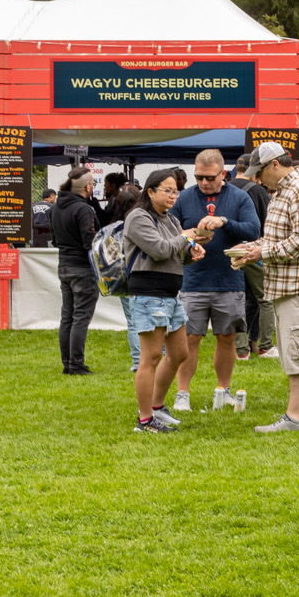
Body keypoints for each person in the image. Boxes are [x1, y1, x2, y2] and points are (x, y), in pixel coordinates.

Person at [227, 143, 299, 432]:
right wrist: (250, 248)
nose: (259, 179)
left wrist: (262, 253)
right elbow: (278, 238)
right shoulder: (284, 191)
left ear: (275, 164)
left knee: (298, 354)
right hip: (295, 287)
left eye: (260, 172)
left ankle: (294, 417)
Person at [173, 149, 263, 413]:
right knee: (189, 340)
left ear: (223, 174)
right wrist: (189, 240)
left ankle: (223, 391)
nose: (203, 182)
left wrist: (224, 222)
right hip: (193, 282)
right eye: (198, 176)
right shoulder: (185, 198)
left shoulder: (239, 197)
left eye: (209, 177)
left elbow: (254, 229)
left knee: (227, 338)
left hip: (229, 280)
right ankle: (182, 394)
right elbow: (171, 232)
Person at [123, 167, 211, 434]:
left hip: (170, 295)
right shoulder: (138, 217)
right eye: (168, 190)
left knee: (180, 353)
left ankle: (158, 407)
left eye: (176, 191)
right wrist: (186, 237)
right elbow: (160, 250)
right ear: (150, 192)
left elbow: (176, 253)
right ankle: (145, 420)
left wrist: (191, 251)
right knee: (150, 357)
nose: (174, 196)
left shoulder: (169, 220)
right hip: (149, 294)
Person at [53, 166, 100, 374]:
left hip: (64, 264)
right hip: (82, 267)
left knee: (67, 316)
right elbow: (90, 242)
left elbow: (54, 239)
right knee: (81, 317)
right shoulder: (83, 209)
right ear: (88, 187)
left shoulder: (56, 207)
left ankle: (68, 363)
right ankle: (76, 364)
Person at [238, 162, 275, 359]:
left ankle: (242, 348)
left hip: (231, 251)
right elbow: (268, 225)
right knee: (265, 297)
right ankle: (265, 346)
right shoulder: (259, 192)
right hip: (255, 250)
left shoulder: (224, 189)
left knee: (239, 298)